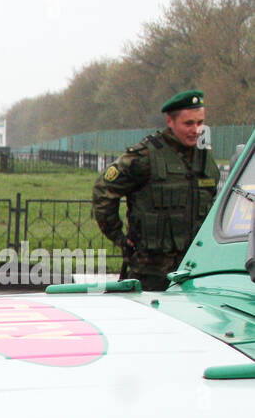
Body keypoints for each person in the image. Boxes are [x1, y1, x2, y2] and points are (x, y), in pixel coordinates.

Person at [92, 90, 219, 291]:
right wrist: (120, 238)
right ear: (170, 121)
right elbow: (104, 191)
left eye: (200, 122)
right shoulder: (145, 156)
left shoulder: (205, 158)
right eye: (189, 124)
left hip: (196, 268)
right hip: (151, 272)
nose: (196, 130)